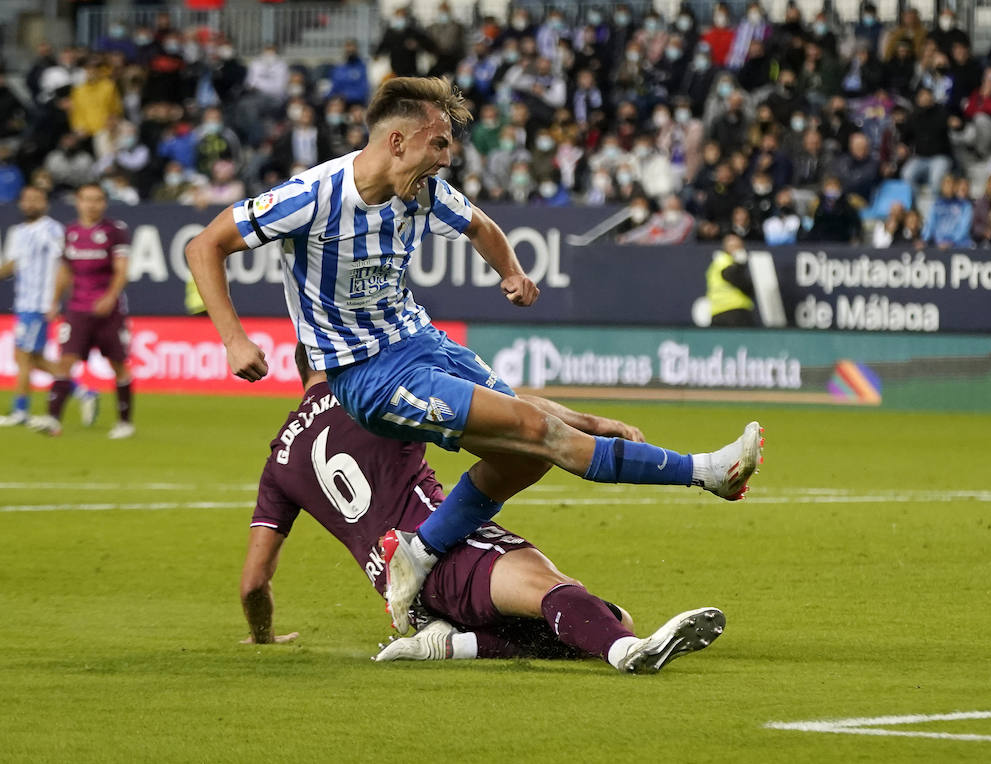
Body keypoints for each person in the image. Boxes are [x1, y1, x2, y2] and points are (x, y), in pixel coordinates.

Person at [186, 78, 763, 635]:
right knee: (538, 432)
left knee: (526, 454)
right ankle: (705, 472)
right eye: (439, 143)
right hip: (368, 373)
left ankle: (418, 552)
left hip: (422, 341)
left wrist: (510, 271)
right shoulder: (311, 196)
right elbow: (204, 244)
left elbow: (481, 226)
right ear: (398, 141)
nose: (447, 157)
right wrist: (234, 338)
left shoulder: (426, 191)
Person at [244, 346, 726, 674]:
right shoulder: (371, 395)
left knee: (605, 615)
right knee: (558, 594)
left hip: (398, 590)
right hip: (448, 545)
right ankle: (628, 654)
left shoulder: (278, 461)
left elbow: (253, 583)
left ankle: (451, 643)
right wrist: (590, 422)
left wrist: (263, 637)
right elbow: (509, 413)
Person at [27, 184, 134, 438]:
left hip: (108, 311)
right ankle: (53, 419)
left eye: (97, 200)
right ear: (78, 201)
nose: (92, 205)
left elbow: (122, 269)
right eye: (87, 199)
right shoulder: (70, 232)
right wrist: (54, 301)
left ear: (104, 203)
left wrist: (110, 297)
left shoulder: (114, 231)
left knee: (117, 364)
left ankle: (124, 422)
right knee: (66, 361)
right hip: (77, 308)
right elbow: (65, 271)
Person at [0, 187, 70, 426]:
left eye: (35, 199)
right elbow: (12, 264)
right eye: (26, 199)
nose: (30, 204)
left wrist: (54, 300)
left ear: (45, 203)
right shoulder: (18, 232)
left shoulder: (52, 230)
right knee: (34, 358)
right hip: (23, 302)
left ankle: (20, 411)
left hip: (40, 303)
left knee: (23, 356)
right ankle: (81, 390)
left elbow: (65, 264)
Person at [706, 234, 756, 326]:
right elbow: (730, 275)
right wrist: (740, 264)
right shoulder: (724, 261)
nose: (739, 250)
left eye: (740, 246)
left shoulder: (718, 263)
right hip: (734, 310)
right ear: (726, 248)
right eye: (735, 247)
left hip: (718, 312)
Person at [922, 174, 973, 248]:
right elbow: (930, 225)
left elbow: (963, 229)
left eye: (952, 183)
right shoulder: (936, 205)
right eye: (947, 183)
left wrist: (950, 242)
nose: (950, 186)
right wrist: (924, 239)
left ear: (956, 187)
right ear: (942, 186)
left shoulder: (965, 206)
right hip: (938, 245)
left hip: (958, 245)